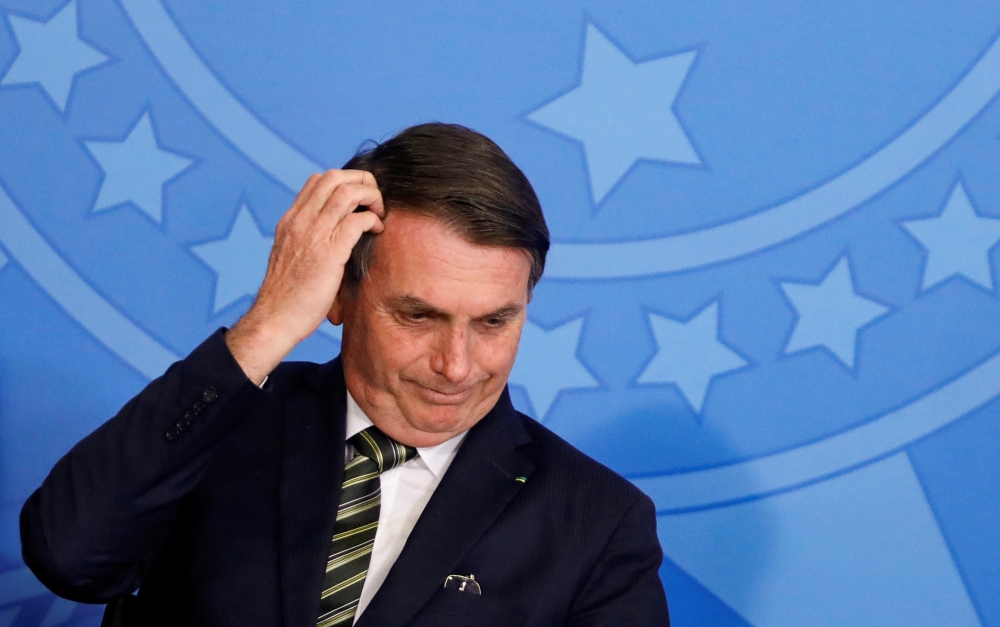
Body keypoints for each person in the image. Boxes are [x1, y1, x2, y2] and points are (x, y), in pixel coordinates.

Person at [21, 123, 670, 626]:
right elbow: (68, 556)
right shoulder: (225, 425)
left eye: (495, 322)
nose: (457, 364)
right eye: (419, 316)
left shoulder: (596, 523)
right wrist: (267, 327)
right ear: (338, 296)